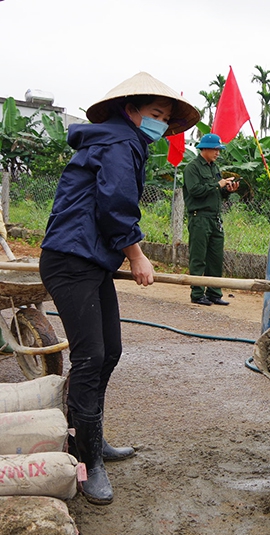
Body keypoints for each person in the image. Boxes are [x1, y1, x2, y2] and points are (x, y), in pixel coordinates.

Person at [39, 72, 199, 504]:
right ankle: (86, 464)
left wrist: (127, 253)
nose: (161, 125)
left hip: (88, 262)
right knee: (91, 357)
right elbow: (115, 205)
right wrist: (137, 254)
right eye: (154, 114)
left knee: (109, 351)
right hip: (72, 262)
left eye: (165, 118)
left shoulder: (122, 140)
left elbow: (109, 204)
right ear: (131, 111)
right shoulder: (118, 141)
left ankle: (89, 441)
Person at [183, 133, 239, 306]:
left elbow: (217, 193)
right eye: (215, 149)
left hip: (215, 218)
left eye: (218, 150)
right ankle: (197, 293)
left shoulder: (214, 168)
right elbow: (195, 191)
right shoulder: (192, 168)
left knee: (215, 257)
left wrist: (228, 189)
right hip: (199, 217)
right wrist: (218, 184)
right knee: (198, 257)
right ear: (204, 149)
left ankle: (214, 292)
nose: (217, 153)